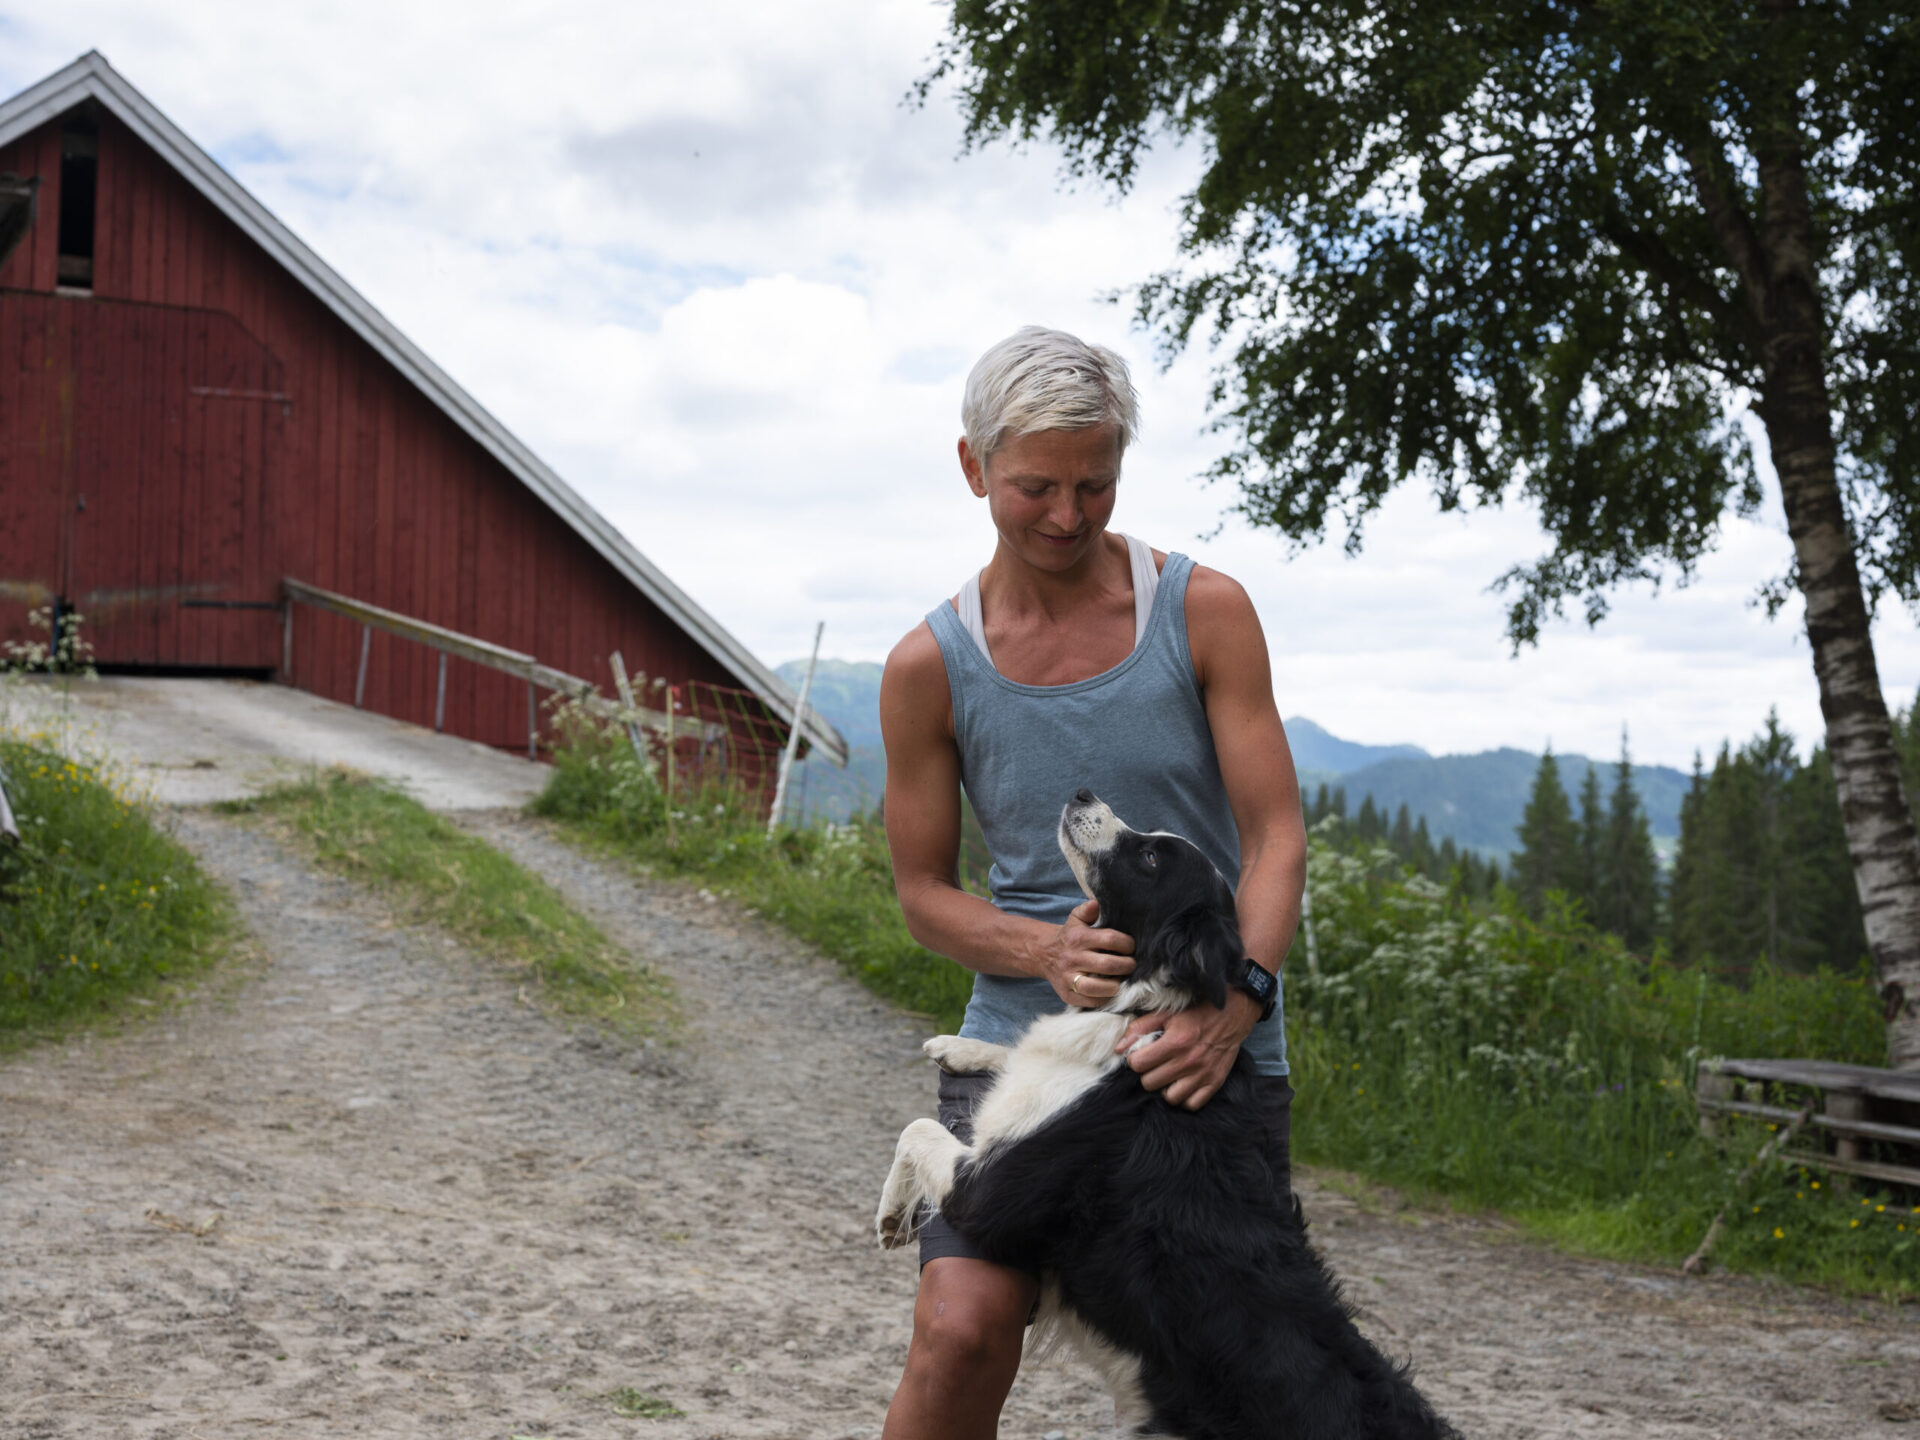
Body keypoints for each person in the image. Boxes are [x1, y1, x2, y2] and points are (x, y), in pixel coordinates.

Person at [877, 326, 1306, 1438]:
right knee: (962, 1327)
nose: (1067, 515)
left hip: (1199, 1053)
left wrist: (1240, 1003)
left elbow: (1275, 835)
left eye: (1095, 485)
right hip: (1028, 1051)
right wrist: (1040, 950)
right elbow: (922, 893)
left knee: (1234, 1376)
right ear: (973, 469)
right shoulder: (929, 667)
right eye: (1035, 487)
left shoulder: (1203, 611)